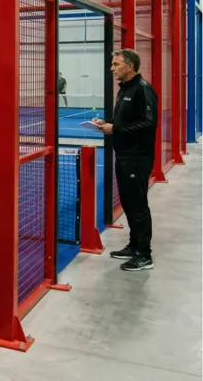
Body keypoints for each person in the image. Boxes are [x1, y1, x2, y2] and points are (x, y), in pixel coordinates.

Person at [93, 49, 157, 272]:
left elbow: (149, 123)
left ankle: (144, 254)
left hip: (138, 158)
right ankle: (134, 245)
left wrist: (116, 128)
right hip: (124, 156)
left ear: (130, 66)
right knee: (129, 203)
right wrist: (106, 122)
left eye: (116, 64)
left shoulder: (143, 89)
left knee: (138, 205)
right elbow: (125, 120)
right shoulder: (124, 90)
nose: (112, 68)